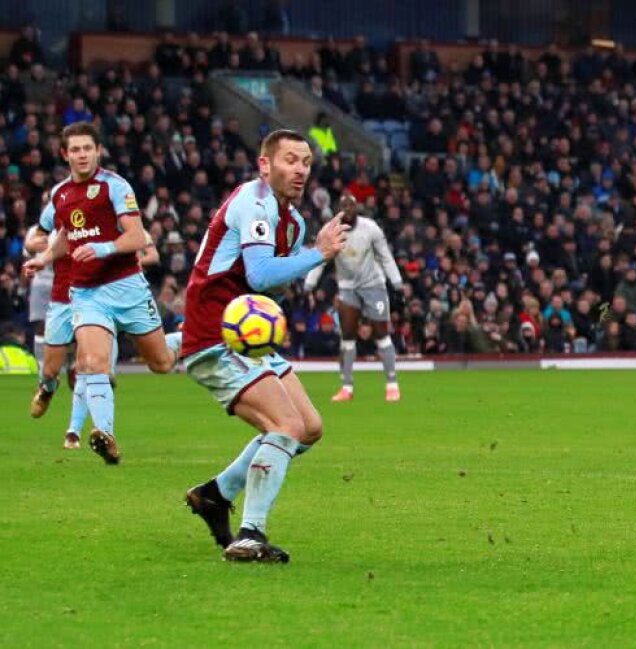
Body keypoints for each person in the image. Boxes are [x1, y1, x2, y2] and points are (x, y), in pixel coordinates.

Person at [181, 129, 348, 563]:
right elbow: (257, 274)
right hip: (216, 336)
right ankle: (250, 534)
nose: (300, 170)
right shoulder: (253, 201)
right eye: (290, 160)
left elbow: (267, 286)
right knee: (286, 425)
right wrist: (318, 254)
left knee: (308, 427)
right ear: (265, 164)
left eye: (306, 162)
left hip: (246, 340)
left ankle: (216, 494)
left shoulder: (293, 223)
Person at [22, 122, 181, 465]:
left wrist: (103, 247)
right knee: (91, 362)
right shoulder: (60, 194)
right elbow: (67, 235)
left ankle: (185, 337)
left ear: (98, 151)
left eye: (87, 149)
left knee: (161, 363)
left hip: (127, 286)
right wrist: (44, 258)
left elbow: (137, 237)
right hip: (86, 292)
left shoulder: (115, 186)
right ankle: (105, 435)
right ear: (65, 154)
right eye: (75, 150)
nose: (82, 155)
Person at [25, 225, 158, 450]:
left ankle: (76, 432)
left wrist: (125, 260)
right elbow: (37, 241)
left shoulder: (119, 219)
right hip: (62, 300)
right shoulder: (57, 210)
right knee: (50, 370)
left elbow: (149, 250)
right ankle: (47, 387)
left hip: (96, 298)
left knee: (87, 366)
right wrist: (36, 250)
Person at [303, 195, 404, 402]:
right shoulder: (331, 231)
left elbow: (385, 255)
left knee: (381, 333)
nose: (347, 209)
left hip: (373, 285)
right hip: (347, 288)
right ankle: (346, 387)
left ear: (357, 208)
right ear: (337, 209)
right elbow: (321, 258)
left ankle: (392, 384)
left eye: (351, 205)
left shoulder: (370, 228)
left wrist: (396, 281)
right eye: (343, 206)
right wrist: (310, 282)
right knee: (347, 336)